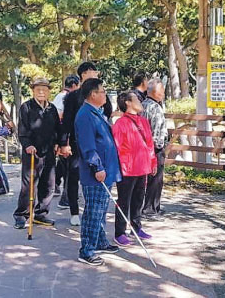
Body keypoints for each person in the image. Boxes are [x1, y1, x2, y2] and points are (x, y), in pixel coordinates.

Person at [59, 62, 113, 226]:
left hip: (99, 143)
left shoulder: (102, 94)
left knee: (96, 175)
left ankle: (93, 212)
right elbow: (67, 121)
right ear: (83, 74)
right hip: (77, 143)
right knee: (74, 174)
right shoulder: (73, 96)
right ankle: (74, 210)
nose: (95, 74)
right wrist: (63, 143)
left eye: (96, 72)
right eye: (92, 72)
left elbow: (108, 112)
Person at [75, 78, 121, 266]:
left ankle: (100, 240)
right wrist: (97, 167)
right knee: (93, 211)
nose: (105, 95)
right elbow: (88, 146)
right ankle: (86, 250)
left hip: (106, 170)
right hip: (96, 173)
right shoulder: (85, 115)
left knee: (101, 209)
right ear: (93, 94)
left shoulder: (97, 112)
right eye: (102, 91)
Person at [13, 78, 69, 229]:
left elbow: (58, 128)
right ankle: (21, 215)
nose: (42, 92)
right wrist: (28, 145)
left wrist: (59, 143)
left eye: (44, 89)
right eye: (38, 89)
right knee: (29, 185)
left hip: (49, 151)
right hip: (32, 152)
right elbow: (22, 130)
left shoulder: (51, 109)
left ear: (49, 91)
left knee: (49, 184)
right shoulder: (26, 107)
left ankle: (40, 213)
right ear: (33, 91)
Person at [112, 91, 157, 246]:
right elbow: (116, 148)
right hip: (127, 168)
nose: (140, 101)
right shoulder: (120, 123)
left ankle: (136, 227)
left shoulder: (144, 121)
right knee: (124, 200)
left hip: (142, 166)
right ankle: (119, 232)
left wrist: (152, 162)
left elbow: (149, 143)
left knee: (138, 199)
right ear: (128, 103)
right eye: (137, 99)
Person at [141, 78, 167, 220]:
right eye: (161, 90)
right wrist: (159, 147)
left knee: (148, 178)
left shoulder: (142, 104)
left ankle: (152, 206)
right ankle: (150, 209)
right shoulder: (155, 108)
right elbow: (156, 131)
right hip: (154, 148)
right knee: (156, 178)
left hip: (143, 147)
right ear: (155, 92)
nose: (163, 93)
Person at [53, 75, 80, 198]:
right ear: (74, 85)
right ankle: (66, 197)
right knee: (69, 169)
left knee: (63, 166)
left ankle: (57, 186)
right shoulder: (64, 97)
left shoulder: (60, 96)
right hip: (65, 137)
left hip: (63, 137)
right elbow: (59, 116)